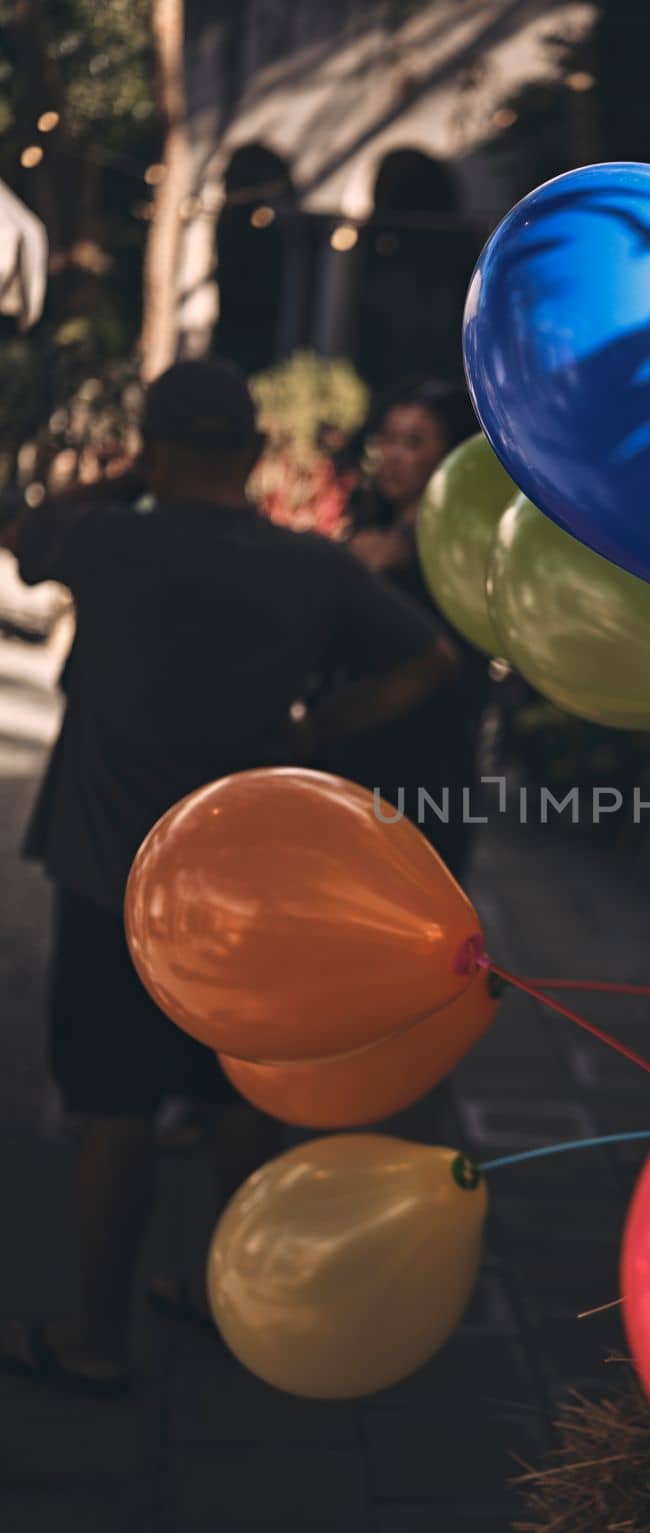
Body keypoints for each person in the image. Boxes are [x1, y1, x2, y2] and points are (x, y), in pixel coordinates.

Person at [0, 359, 459, 1397]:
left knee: (112, 1106)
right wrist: (313, 729)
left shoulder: (111, 537)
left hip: (109, 870)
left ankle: (96, 1336)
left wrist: (124, 480)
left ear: (152, 450)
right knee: (240, 1088)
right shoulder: (311, 567)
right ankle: (231, 1300)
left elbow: (22, 542)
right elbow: (428, 660)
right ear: (253, 454)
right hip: (252, 878)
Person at [315, 380, 490, 882]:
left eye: (414, 442)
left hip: (427, 762)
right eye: (388, 439)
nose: (392, 456)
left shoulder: (457, 550)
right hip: (358, 758)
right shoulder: (371, 535)